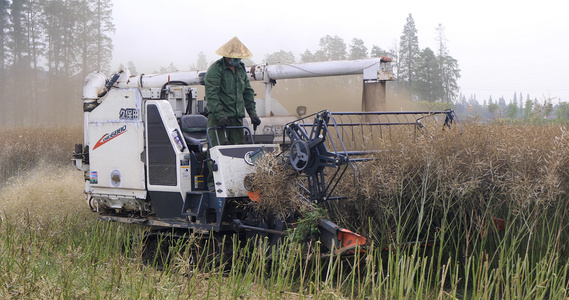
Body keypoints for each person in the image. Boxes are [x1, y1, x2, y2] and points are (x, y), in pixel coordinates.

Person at [205, 36, 261, 190]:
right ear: (228, 56)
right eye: (236, 58)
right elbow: (212, 95)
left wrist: (253, 113)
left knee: (238, 151)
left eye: (240, 58)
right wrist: (220, 114)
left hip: (236, 119)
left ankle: (237, 183)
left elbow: (248, 92)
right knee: (216, 151)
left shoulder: (241, 69)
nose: (238, 60)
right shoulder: (215, 70)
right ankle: (213, 184)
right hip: (218, 119)